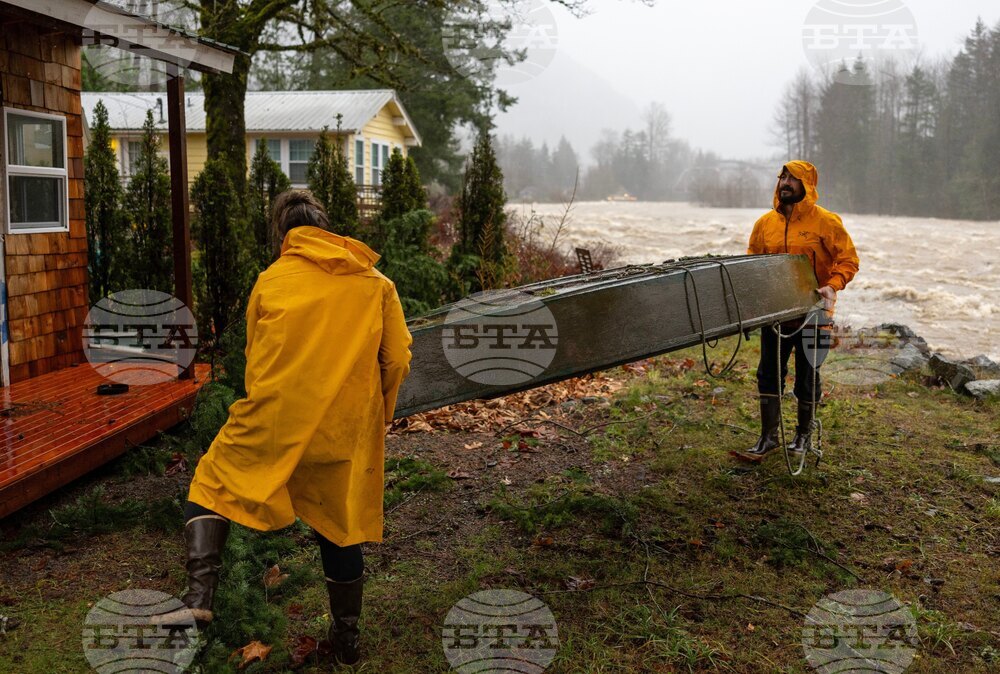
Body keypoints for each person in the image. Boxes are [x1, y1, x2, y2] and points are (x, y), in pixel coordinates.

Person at [171, 190, 412, 665]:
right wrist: (377, 414)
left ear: (283, 236)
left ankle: (199, 601)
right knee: (341, 527)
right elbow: (398, 358)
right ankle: (347, 641)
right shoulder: (375, 283)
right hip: (342, 429)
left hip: (276, 423)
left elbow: (255, 358)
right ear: (328, 229)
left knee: (210, 481)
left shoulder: (271, 280)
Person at [742, 161, 859, 459]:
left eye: (793, 179)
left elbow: (848, 260)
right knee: (768, 374)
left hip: (815, 315)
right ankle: (768, 437)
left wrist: (833, 285)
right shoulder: (765, 224)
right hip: (776, 313)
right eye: (783, 177)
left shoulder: (826, 222)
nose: (786, 183)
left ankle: (803, 437)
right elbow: (752, 262)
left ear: (807, 185)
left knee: (807, 377)